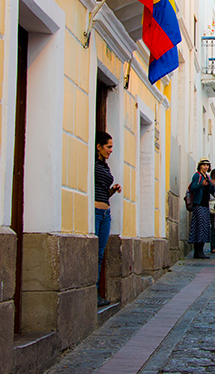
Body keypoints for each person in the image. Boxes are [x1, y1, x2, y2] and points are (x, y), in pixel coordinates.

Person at [95, 131, 122, 307]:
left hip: (106, 214)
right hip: (95, 212)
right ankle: (92, 292)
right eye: (109, 147)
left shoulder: (105, 166)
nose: (111, 150)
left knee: (99, 254)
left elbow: (104, 192)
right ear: (99, 147)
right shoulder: (92, 164)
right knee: (94, 254)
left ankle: (96, 293)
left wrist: (113, 190)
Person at [188, 157, 212, 259]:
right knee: (199, 227)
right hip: (198, 204)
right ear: (200, 166)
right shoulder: (197, 176)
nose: (205, 167)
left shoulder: (207, 177)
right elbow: (192, 188)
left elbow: (211, 190)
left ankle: (200, 251)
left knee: (204, 228)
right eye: (204, 165)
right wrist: (201, 185)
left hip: (205, 204)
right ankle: (197, 251)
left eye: (207, 165)